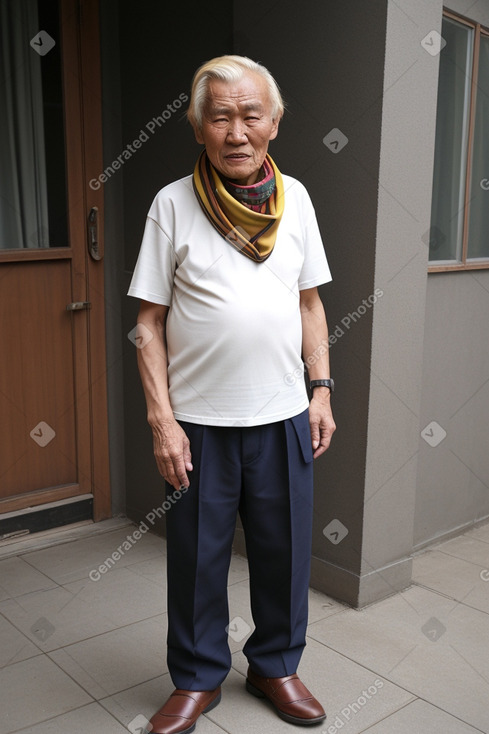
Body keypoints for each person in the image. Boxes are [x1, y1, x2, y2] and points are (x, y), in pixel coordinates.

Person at [128, 55, 336, 734]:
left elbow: (309, 304)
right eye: (220, 115)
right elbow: (147, 323)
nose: (236, 130)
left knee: (284, 552)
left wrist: (321, 390)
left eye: (250, 114)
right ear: (196, 126)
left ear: (273, 121)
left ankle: (275, 665)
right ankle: (196, 678)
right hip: (199, 423)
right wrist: (162, 420)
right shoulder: (171, 204)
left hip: (281, 417)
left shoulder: (297, 199)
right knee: (196, 559)